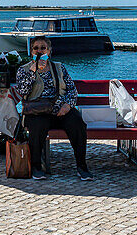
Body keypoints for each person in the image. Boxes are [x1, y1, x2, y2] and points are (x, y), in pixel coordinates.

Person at [11, 36, 92, 181]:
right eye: (36, 48)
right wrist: (33, 72)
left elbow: (72, 90)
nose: (39, 51)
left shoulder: (59, 67)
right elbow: (23, 92)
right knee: (37, 126)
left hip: (60, 110)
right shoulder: (23, 70)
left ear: (49, 51)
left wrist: (67, 106)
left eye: (43, 48)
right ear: (31, 52)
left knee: (77, 123)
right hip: (37, 111)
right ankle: (36, 167)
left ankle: (82, 166)